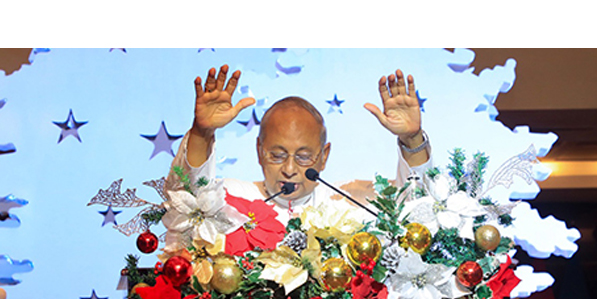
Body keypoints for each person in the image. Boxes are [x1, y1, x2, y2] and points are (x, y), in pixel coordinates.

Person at [166, 64, 432, 224]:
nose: (290, 169)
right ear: (259, 152)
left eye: (304, 157)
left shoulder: (349, 203)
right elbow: (187, 200)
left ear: (323, 156)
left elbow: (417, 212)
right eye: (278, 155)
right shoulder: (234, 200)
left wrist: (412, 140)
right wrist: (202, 133)